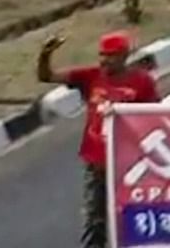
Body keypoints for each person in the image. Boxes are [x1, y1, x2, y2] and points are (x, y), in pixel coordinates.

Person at [37, 31, 158, 248]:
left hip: (129, 165)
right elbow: (46, 76)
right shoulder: (91, 77)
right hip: (97, 163)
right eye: (102, 54)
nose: (104, 60)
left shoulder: (142, 82)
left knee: (132, 216)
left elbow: (156, 116)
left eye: (110, 55)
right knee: (95, 221)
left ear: (124, 55)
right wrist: (45, 55)